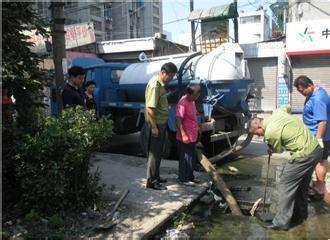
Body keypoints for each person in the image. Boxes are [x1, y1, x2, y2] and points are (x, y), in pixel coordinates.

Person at [248, 105, 322, 231]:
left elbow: (279, 149)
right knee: (301, 186)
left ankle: (281, 222)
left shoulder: (270, 132)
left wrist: (271, 148)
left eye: (257, 134)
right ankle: (300, 216)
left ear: (260, 126)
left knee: (285, 185)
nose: (259, 136)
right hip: (315, 150)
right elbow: (287, 107)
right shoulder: (277, 112)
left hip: (303, 155)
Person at [294, 75, 329, 197]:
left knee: (320, 162)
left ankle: (319, 188)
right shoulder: (315, 93)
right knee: (320, 161)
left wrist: (318, 139)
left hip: (319, 137)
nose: (301, 93)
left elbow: (322, 121)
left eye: (302, 90)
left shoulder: (318, 99)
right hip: (315, 134)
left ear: (309, 85)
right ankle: (318, 184)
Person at [145, 62, 177, 190]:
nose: (171, 79)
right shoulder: (155, 85)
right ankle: (151, 181)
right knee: (154, 153)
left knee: (159, 152)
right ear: (163, 73)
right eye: (170, 76)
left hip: (161, 123)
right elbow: (150, 108)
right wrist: (154, 127)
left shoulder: (161, 84)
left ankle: (156, 177)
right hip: (156, 123)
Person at [176, 84, 200, 184]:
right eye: (194, 96)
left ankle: (190, 177)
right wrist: (183, 134)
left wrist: (198, 126)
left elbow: (194, 114)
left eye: (197, 96)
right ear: (189, 94)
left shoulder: (192, 101)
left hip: (192, 134)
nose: (196, 98)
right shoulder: (182, 102)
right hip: (185, 135)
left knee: (191, 156)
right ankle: (183, 178)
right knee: (185, 157)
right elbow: (178, 120)